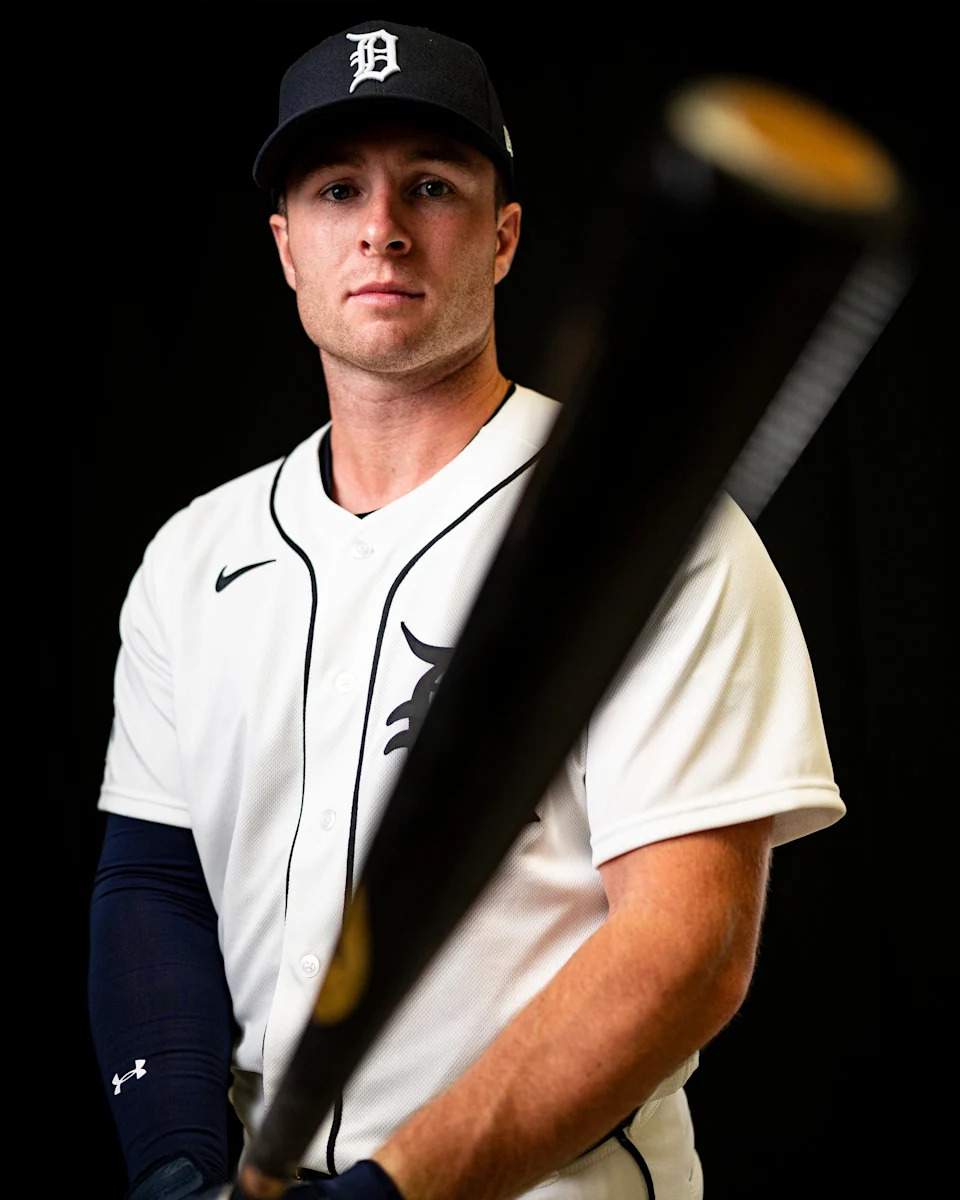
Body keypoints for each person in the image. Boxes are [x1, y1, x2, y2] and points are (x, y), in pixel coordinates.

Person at [88, 17, 846, 1200]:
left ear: (503, 237)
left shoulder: (651, 530)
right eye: (338, 189)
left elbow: (683, 950)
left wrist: (390, 1191)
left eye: (431, 185)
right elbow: (155, 884)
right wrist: (176, 1166)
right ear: (287, 248)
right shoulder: (196, 555)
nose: (383, 227)